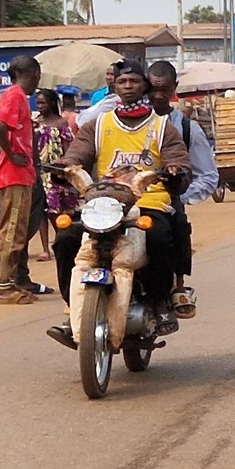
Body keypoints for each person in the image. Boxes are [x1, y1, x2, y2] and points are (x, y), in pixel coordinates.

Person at [47, 61, 194, 346]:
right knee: (66, 238)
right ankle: (73, 309)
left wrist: (175, 170)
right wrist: (66, 165)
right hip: (103, 203)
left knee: (160, 238)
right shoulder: (97, 125)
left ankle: (158, 303)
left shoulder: (162, 127)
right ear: (114, 86)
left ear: (145, 87)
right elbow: (78, 153)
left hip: (148, 201)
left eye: (134, 81)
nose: (127, 86)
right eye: (122, 81)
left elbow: (178, 158)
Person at [145, 60, 219, 315]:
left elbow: (208, 175)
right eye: (151, 89)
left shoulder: (188, 128)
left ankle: (177, 286)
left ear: (174, 88)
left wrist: (178, 195)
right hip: (128, 199)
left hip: (165, 201)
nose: (157, 95)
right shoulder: (124, 121)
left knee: (176, 228)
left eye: (163, 89)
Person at [0, 55, 40, 305]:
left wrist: (2, 151)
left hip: (17, 173)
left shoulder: (11, 95)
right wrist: (10, 154)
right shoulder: (15, 96)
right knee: (12, 231)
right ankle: (3, 286)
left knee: (14, 229)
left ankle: (9, 280)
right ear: (35, 74)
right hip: (14, 175)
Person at [34, 88, 77, 263]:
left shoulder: (61, 124)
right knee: (40, 212)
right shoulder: (35, 123)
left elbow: (68, 147)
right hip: (38, 171)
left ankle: (61, 239)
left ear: (52, 103)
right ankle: (45, 248)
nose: (40, 106)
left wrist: (66, 167)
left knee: (55, 210)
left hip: (54, 174)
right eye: (38, 103)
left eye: (43, 103)